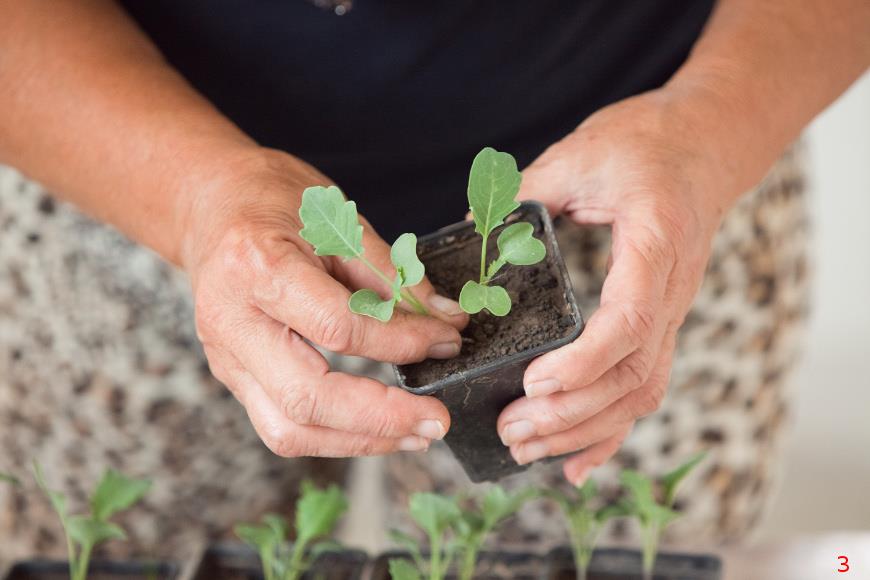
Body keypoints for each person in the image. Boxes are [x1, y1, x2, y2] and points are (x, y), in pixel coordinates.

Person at [0, 0, 867, 560]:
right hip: (119, 163)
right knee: (124, 545)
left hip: (640, 176)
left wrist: (711, 120)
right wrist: (186, 196)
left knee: (612, 543)